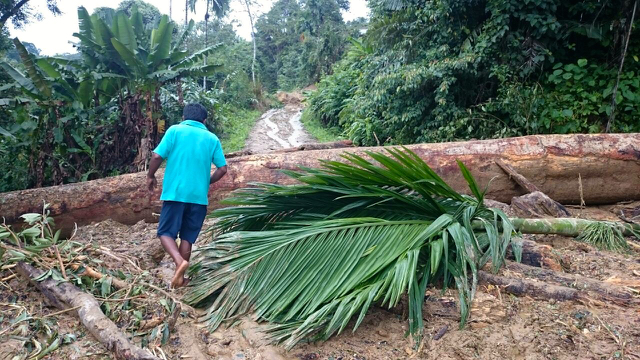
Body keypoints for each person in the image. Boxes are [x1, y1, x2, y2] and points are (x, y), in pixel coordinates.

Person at [146, 103, 228, 288]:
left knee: (165, 233)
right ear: (204, 121)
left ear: (184, 118)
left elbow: (157, 156)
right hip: (198, 198)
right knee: (187, 238)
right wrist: (207, 182)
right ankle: (180, 279)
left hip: (175, 194)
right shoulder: (211, 138)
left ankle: (179, 262)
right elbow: (222, 169)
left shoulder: (175, 131)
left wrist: (150, 176)